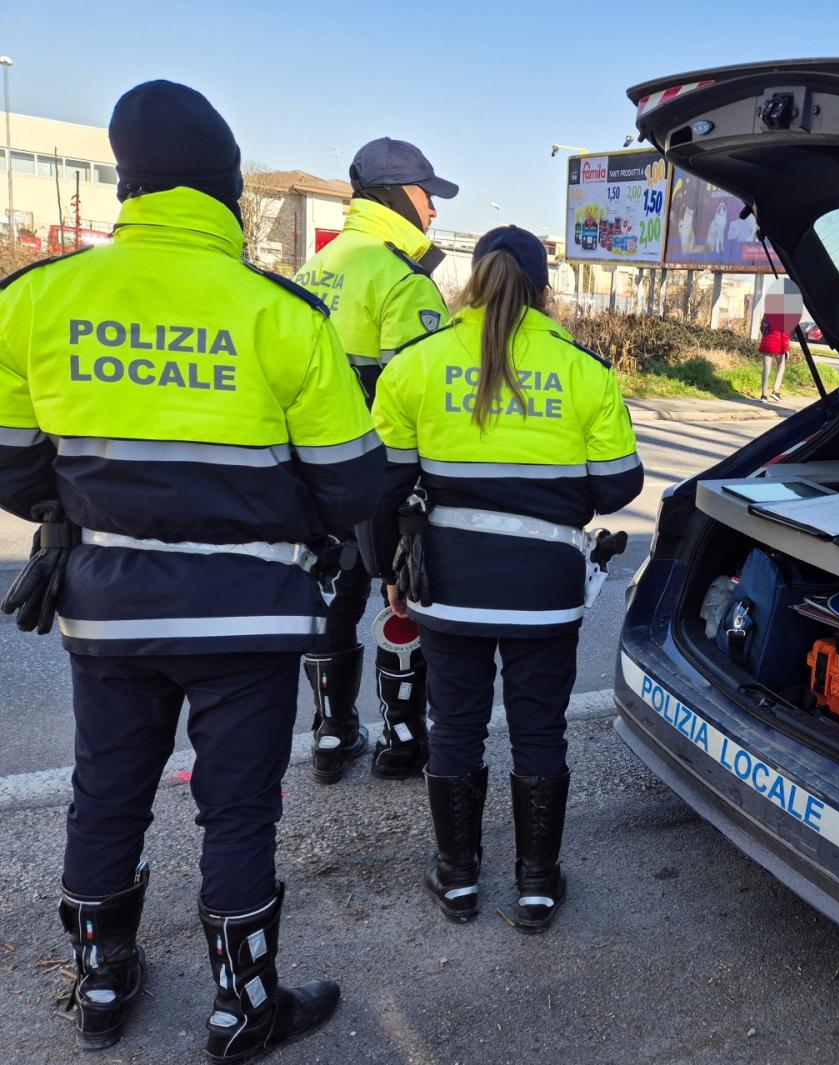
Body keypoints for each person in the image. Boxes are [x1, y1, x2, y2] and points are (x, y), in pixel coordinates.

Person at [0, 82, 382, 1058]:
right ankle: (244, 1007)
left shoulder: (36, 299)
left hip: (109, 605)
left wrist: (86, 509)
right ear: (225, 193)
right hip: (246, 614)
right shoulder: (280, 312)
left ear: (129, 185)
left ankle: (99, 983)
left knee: (107, 791)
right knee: (239, 807)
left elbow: (12, 465)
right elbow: (350, 486)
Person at [370, 226, 643, 932]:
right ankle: (536, 884)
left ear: (471, 282)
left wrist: (386, 574)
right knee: (538, 729)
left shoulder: (416, 365)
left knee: (453, 726)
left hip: (445, 586)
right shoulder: (584, 370)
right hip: (545, 595)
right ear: (543, 289)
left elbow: (384, 486)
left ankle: (458, 878)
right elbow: (618, 488)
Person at [291, 137, 456, 785]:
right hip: (379, 474)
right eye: (428, 196)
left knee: (334, 596)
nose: (434, 212)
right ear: (398, 197)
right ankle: (401, 737)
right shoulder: (399, 279)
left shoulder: (316, 269)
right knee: (402, 595)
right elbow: (422, 399)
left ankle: (330, 734)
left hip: (312, 473)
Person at [758, 311, 791, 401]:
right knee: (781, 366)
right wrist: (786, 349)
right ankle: (775, 391)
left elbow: (762, 328)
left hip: (766, 343)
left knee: (766, 369)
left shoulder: (767, 314)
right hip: (778, 344)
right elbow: (785, 335)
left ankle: (763, 396)